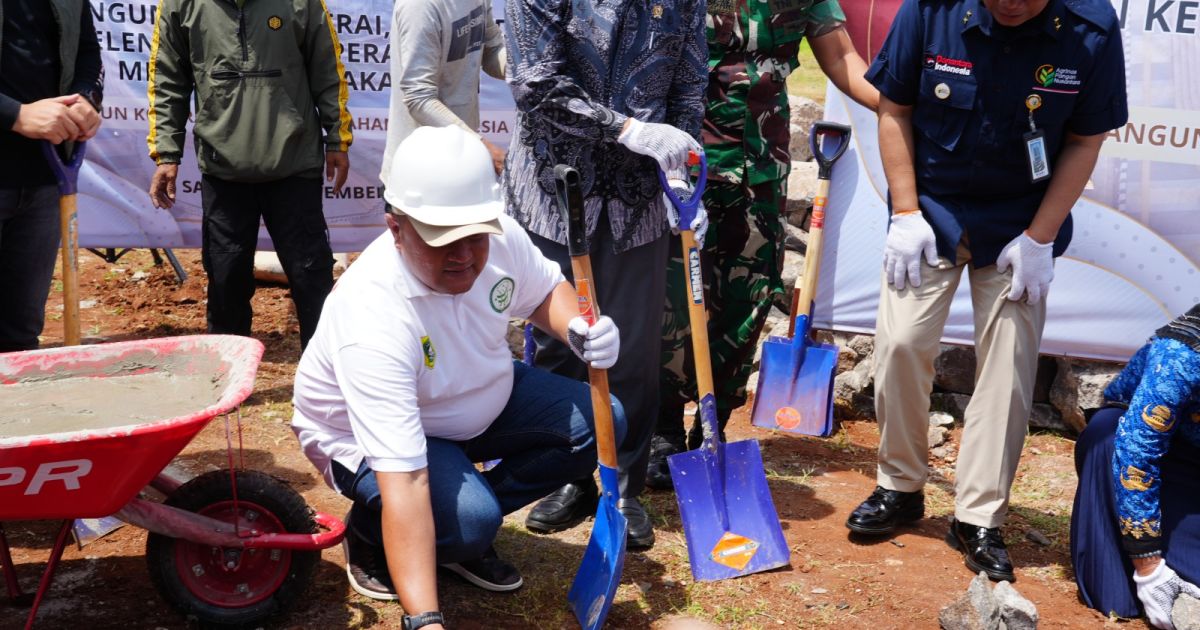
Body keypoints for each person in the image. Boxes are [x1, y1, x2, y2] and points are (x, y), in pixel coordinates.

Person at [291, 126, 627, 626]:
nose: (464, 254)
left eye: (474, 235)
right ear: (396, 227)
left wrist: (576, 327)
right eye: (442, 239)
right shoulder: (373, 319)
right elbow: (405, 479)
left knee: (600, 421)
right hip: (367, 438)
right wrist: (424, 620)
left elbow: (540, 294)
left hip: (475, 393)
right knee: (471, 522)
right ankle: (375, 529)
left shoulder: (496, 235)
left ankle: (454, 517)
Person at [845, 0, 1128, 583]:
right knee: (900, 344)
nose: (1014, 6)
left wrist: (1040, 238)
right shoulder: (931, 9)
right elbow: (894, 108)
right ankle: (900, 486)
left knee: (1009, 366)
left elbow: (1084, 140)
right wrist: (904, 212)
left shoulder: (1090, 28)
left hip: (1022, 223)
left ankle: (978, 517)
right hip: (933, 212)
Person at [648, 0, 881, 489]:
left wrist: (897, 104)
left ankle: (714, 422)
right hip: (688, 169)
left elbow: (840, 60)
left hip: (761, 169)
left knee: (748, 297)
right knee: (673, 297)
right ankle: (663, 427)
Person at [503, 0, 708, 550]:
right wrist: (628, 129)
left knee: (635, 351)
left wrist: (684, 165)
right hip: (553, 186)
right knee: (561, 343)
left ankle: (624, 487)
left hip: (640, 201)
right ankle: (566, 477)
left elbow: (689, 87)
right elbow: (535, 84)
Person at [146, 0, 353, 350]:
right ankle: (228, 370)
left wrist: (337, 138)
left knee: (310, 275)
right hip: (223, 167)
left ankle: (325, 379)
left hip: (293, 161)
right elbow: (168, 80)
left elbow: (327, 69)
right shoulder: (181, 4)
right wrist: (167, 152)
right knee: (226, 280)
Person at [1072, 305, 1200, 629]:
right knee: (1125, 598)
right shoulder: (1181, 353)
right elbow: (1138, 450)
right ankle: (1129, 558)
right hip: (1135, 449)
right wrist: (1149, 567)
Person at [0, 0, 102, 353]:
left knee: (19, 334)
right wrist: (14, 114)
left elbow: (88, 51)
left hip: (45, 176)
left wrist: (86, 99)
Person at [380, 0, 507, 179]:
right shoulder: (420, 6)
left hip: (465, 157)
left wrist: (527, 72)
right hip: (419, 168)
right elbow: (419, 98)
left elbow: (492, 48)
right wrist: (482, 147)